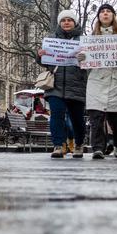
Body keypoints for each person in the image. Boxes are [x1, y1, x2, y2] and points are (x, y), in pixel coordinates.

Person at [77, 4, 117, 159]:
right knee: (96, 118)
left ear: (113, 16)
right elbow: (84, 59)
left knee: (116, 120)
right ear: (98, 17)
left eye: (108, 11)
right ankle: (98, 148)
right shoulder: (92, 37)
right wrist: (81, 58)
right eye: (102, 12)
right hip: (97, 81)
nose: (105, 14)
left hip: (116, 81)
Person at [36, 9, 88, 159]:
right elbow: (43, 62)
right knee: (56, 116)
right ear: (60, 23)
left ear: (75, 22)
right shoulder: (51, 39)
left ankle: (78, 144)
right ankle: (58, 145)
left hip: (76, 85)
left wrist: (84, 58)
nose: (66, 23)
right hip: (55, 86)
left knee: (77, 118)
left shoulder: (83, 41)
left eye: (69, 20)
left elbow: (90, 63)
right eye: (63, 20)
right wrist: (39, 55)